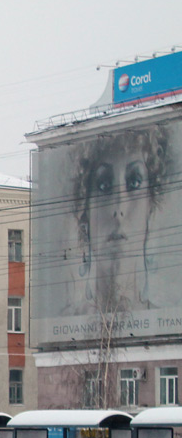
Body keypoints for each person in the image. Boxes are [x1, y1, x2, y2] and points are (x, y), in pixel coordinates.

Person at [58, 125, 172, 317]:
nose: (119, 209)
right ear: (84, 217)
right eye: (104, 185)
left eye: (134, 182)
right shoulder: (64, 323)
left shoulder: (168, 322)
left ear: (150, 212)